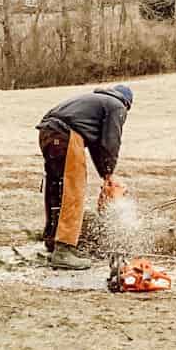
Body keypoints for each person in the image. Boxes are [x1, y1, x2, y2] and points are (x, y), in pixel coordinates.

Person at [37, 84, 133, 272]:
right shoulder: (117, 106)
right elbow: (110, 141)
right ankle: (63, 250)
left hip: (47, 133)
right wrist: (109, 173)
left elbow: (98, 146)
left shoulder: (95, 102)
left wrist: (105, 173)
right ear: (127, 103)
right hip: (66, 134)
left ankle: (52, 240)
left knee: (56, 188)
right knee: (73, 190)